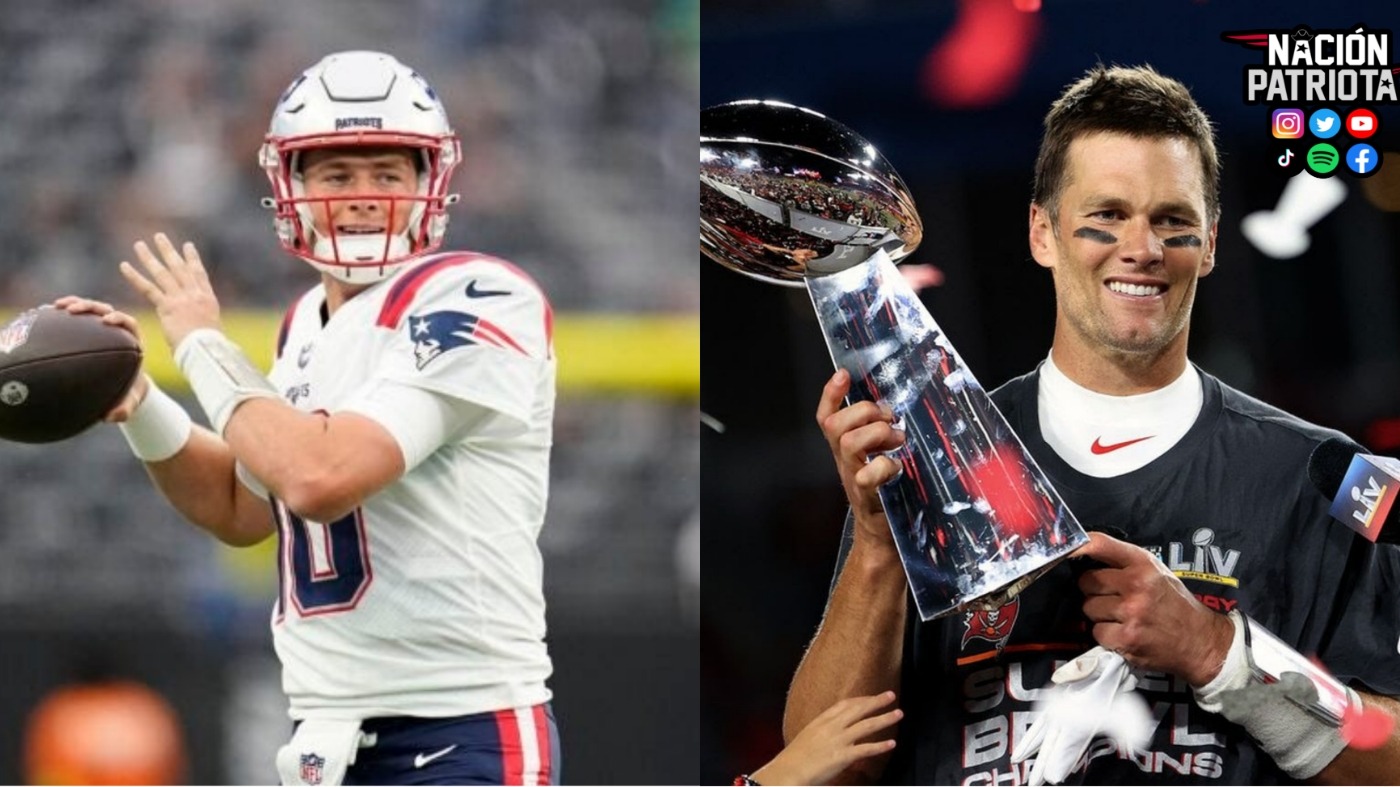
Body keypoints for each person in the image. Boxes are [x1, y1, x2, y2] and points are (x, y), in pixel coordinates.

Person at [784, 64, 1400, 785]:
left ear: (1210, 244)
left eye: (1171, 220)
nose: (1139, 248)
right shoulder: (929, 456)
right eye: (1105, 216)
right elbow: (812, 768)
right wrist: (880, 545)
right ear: (1042, 232)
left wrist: (1218, 654)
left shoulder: (1322, 479)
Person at [57, 50, 559, 786]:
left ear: (431, 185)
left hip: (460, 729)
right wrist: (141, 402)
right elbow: (241, 505)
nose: (363, 196)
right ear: (290, 186)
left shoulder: (479, 296)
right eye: (336, 174)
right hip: (326, 737)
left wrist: (199, 341)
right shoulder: (304, 326)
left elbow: (320, 476)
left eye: (388, 173)